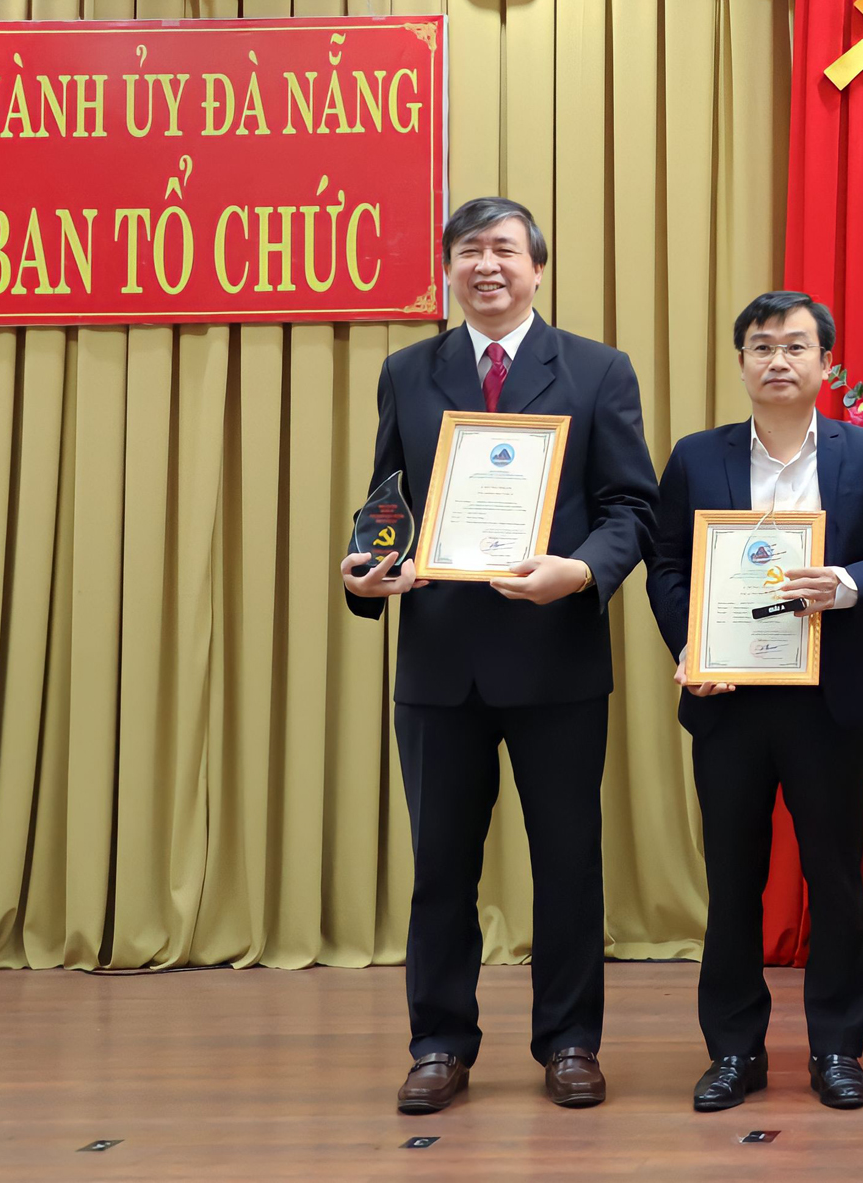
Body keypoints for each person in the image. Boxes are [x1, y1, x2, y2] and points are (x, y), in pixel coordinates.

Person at [340, 197, 657, 1115]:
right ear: (448, 268)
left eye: (505, 250)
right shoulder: (408, 370)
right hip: (440, 664)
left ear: (537, 268)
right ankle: (439, 1043)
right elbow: (385, 501)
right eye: (469, 250)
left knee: (568, 863)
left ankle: (569, 1043)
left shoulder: (596, 371)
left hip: (556, 659)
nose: (487, 265)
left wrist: (579, 573)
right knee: (441, 866)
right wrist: (367, 569)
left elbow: (630, 511)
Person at [644, 291, 863, 1114]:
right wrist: (690, 646)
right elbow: (665, 566)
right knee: (732, 882)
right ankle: (734, 1051)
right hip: (728, 697)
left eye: (796, 346)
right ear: (740, 363)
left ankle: (837, 1048)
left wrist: (843, 583)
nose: (778, 360)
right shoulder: (698, 457)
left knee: (835, 878)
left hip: (827, 701)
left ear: (827, 364)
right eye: (761, 346)